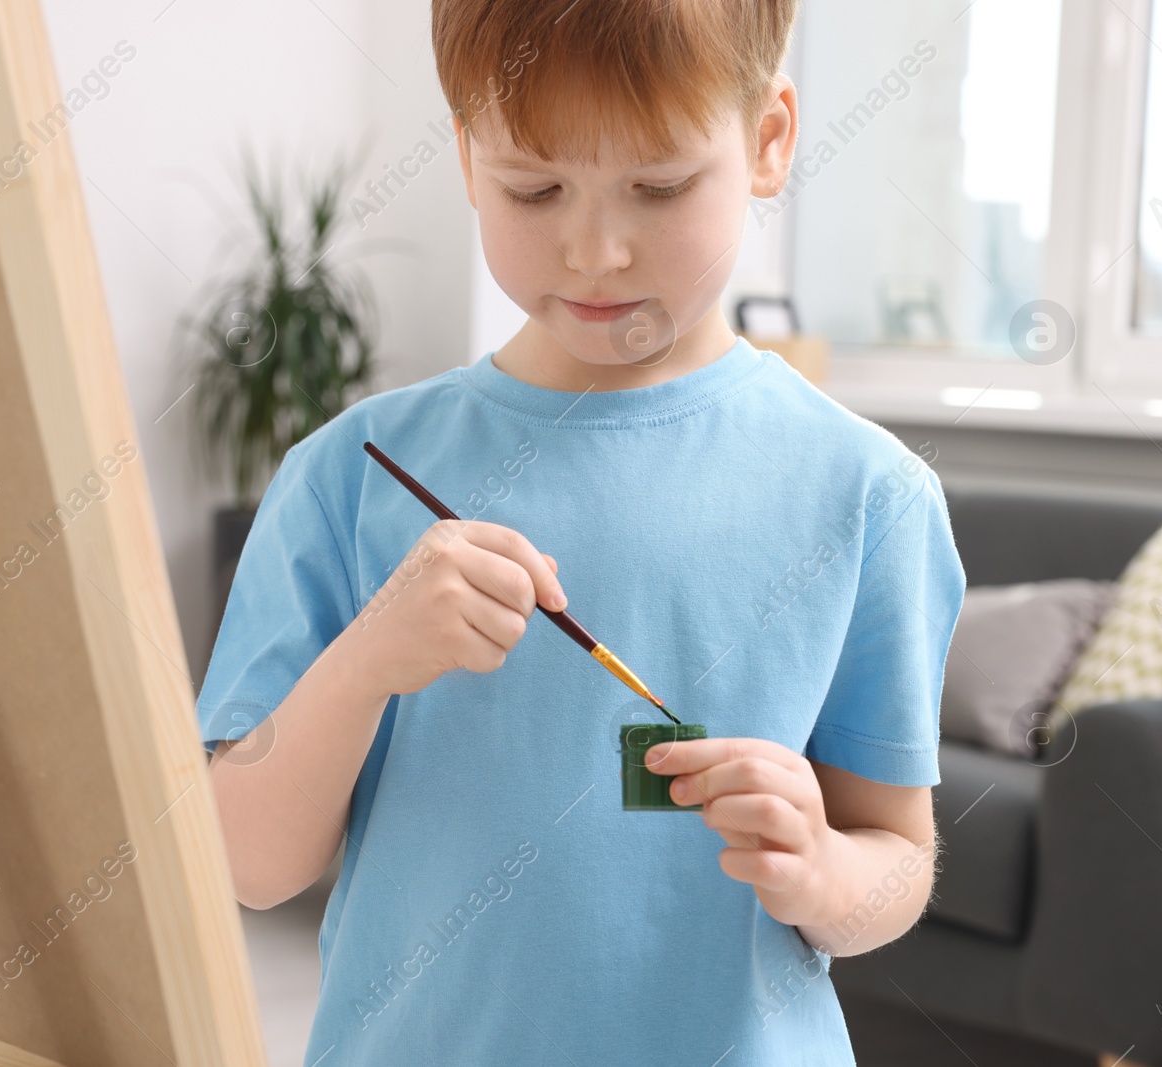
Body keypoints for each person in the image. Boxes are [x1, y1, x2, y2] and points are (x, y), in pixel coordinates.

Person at [200, 1, 965, 1062]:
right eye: (534, 186)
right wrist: (368, 656)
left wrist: (822, 869)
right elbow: (247, 861)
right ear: (467, 158)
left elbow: (896, 855)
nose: (596, 248)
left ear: (767, 141)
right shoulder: (349, 476)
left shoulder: (869, 493)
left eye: (657, 187)